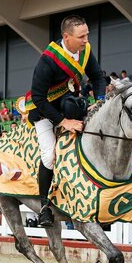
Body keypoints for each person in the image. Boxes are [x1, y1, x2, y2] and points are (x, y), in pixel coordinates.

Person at [29, 15, 106, 227]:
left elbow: (98, 77)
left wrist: (100, 101)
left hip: (72, 105)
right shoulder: (48, 60)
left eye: (87, 35)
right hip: (44, 113)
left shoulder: (85, 52)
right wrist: (64, 122)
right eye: (81, 36)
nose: (86, 40)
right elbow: (38, 98)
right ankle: (44, 207)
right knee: (49, 155)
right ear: (66, 36)